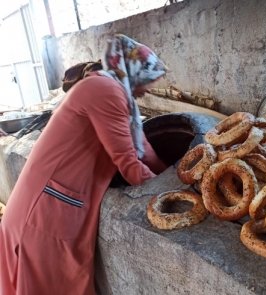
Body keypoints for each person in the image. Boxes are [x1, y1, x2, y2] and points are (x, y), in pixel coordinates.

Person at [0, 34, 168, 295]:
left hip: (52, 206)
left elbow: (144, 151)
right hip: (45, 213)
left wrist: (171, 174)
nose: (148, 90)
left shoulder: (116, 93)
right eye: (148, 81)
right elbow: (129, 165)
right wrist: (168, 193)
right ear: (135, 71)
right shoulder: (106, 91)